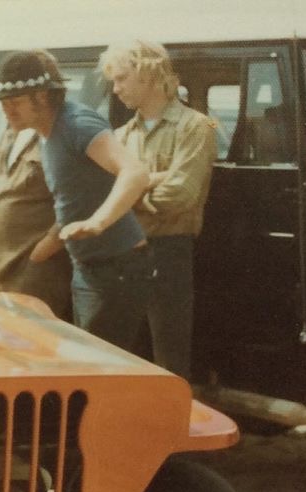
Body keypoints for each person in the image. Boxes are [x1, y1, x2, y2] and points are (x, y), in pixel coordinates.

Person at [0, 50, 152, 351]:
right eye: (3, 103)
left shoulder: (77, 124)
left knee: (100, 367)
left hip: (116, 268)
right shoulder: (45, 133)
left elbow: (135, 172)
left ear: (41, 96)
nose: (6, 110)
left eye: (14, 102)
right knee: (86, 362)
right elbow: (73, 198)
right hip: (88, 267)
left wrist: (98, 222)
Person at [100, 40, 218, 380]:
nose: (116, 89)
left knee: (169, 357)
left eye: (122, 78)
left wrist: (128, 195)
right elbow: (104, 193)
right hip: (125, 253)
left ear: (150, 74)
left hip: (168, 252)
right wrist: (151, 181)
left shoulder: (196, 127)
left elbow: (182, 194)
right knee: (120, 353)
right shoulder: (121, 135)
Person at [0, 126, 72, 320]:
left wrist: (43, 250)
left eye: (15, 100)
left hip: (32, 273)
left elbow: (77, 202)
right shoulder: (9, 133)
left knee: (30, 344)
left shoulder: (58, 136)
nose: (7, 107)